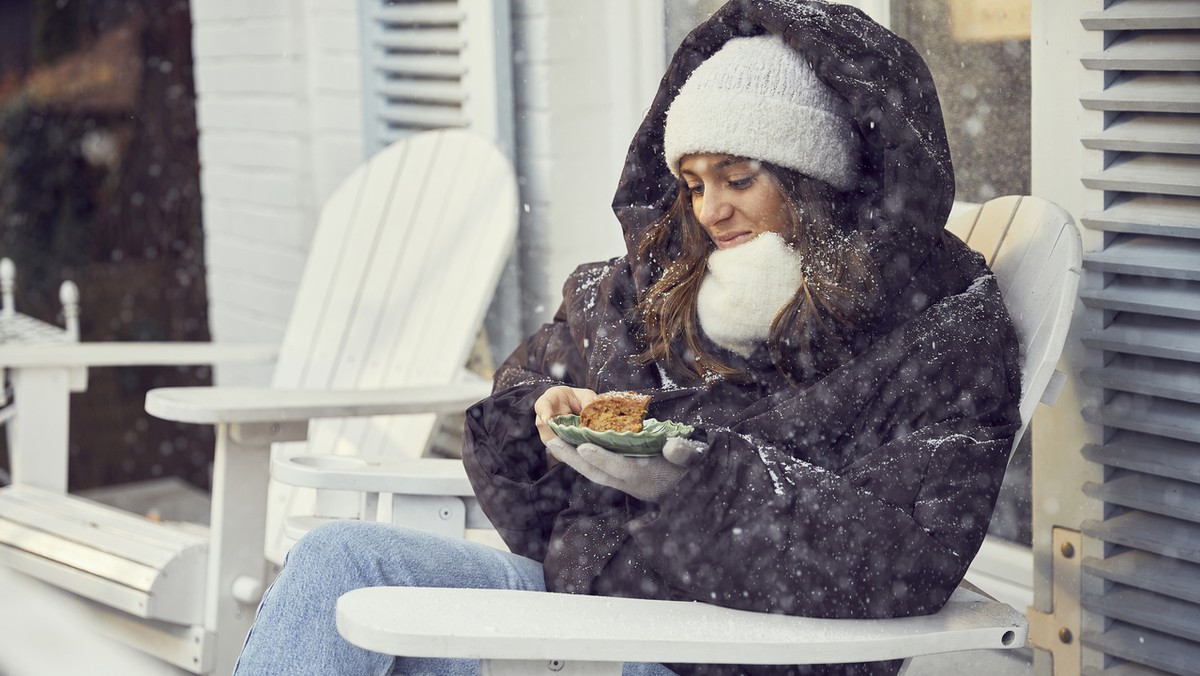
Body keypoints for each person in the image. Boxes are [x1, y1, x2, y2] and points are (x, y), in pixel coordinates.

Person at [233, 2, 1022, 675]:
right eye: (693, 183)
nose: (710, 211)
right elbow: (512, 408)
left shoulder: (935, 331)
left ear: (814, 177)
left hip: (713, 651)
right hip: (585, 614)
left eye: (738, 178)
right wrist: (547, 413)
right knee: (338, 565)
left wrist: (695, 484)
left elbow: (901, 559)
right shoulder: (649, 290)